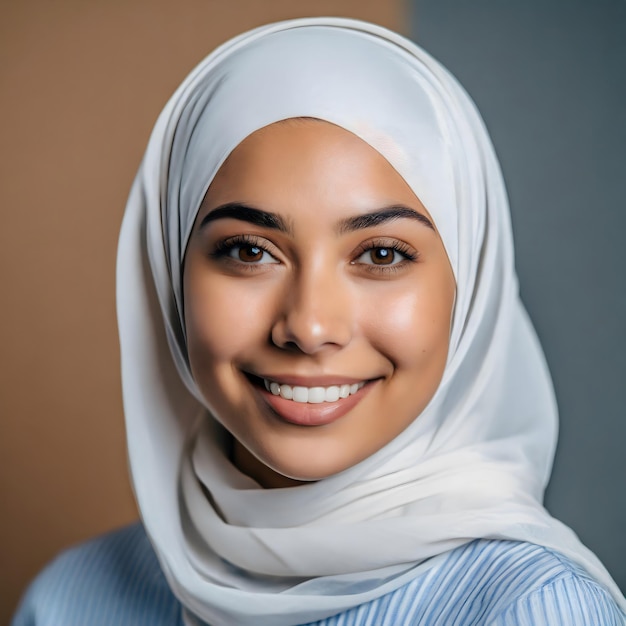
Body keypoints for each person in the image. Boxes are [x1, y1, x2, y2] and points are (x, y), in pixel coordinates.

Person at [12, 16, 626, 626]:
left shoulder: (534, 609)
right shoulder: (73, 599)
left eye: (381, 255)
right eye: (250, 251)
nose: (307, 327)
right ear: (171, 272)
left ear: (469, 285)